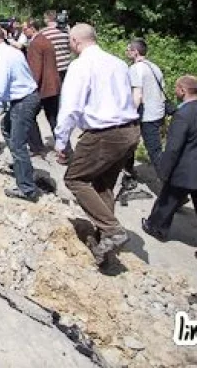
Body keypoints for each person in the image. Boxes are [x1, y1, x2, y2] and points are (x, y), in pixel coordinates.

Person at [50, 24, 140, 266]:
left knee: (75, 179)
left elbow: (71, 107)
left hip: (104, 132)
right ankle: (105, 249)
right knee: (103, 186)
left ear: (75, 41)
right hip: (129, 130)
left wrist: (61, 140)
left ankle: (111, 230)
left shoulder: (80, 66)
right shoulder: (118, 63)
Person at [142, 75, 197, 276]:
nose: (175, 92)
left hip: (186, 171)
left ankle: (156, 227)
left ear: (182, 90)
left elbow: (173, 148)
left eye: (176, 89)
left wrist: (163, 170)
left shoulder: (182, 116)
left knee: (166, 201)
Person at [0, 25, 42, 202]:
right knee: (6, 126)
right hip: (27, 97)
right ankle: (21, 167)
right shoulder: (12, 52)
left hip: (23, 101)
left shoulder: (3, 57)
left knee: (18, 143)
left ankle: (27, 189)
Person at [125, 38, 167, 188]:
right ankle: (129, 172)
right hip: (157, 113)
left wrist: (128, 115)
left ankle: (171, 187)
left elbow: (138, 95)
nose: (126, 52)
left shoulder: (135, 69)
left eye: (128, 49)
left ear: (135, 52)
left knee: (133, 146)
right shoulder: (154, 67)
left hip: (144, 115)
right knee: (155, 149)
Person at [25, 26, 63, 158]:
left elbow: (35, 68)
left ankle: (36, 147)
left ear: (32, 28)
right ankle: (65, 149)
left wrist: (30, 87)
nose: (24, 32)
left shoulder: (36, 43)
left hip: (43, 87)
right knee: (54, 119)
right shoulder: (46, 40)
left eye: (25, 29)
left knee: (27, 116)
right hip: (53, 85)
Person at [40, 10, 71, 84]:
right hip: (67, 66)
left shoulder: (43, 33)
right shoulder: (66, 30)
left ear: (47, 19)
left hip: (53, 68)